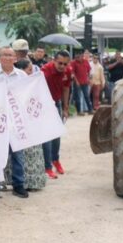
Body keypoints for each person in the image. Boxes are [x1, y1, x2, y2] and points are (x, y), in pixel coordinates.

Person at [0, 46, 30, 198]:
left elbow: (28, 94)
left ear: (15, 58)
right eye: (5, 55)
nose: (8, 58)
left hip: (16, 121)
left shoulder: (22, 75)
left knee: (18, 154)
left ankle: (18, 185)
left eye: (11, 55)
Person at [13, 59, 49, 188]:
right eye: (29, 70)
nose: (31, 73)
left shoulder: (31, 84)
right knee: (24, 155)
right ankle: (24, 182)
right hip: (21, 125)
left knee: (33, 154)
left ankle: (33, 181)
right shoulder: (19, 84)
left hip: (32, 124)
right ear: (22, 71)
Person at [41, 51, 72, 179]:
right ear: (53, 61)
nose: (62, 66)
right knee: (47, 136)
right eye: (60, 63)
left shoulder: (68, 71)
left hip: (57, 103)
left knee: (57, 134)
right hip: (44, 105)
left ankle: (56, 160)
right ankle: (47, 167)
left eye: (65, 64)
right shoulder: (44, 72)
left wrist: (65, 108)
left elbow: (66, 89)